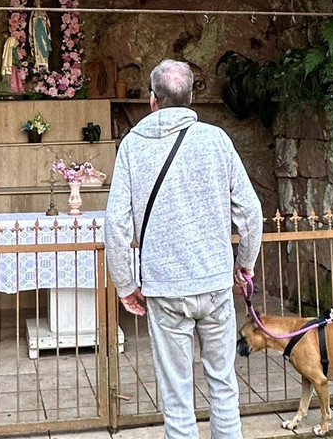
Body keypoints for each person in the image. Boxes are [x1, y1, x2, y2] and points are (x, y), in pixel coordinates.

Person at [105, 59, 263, 439]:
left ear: (152, 99)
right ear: (191, 97)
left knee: (176, 393)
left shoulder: (132, 147)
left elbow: (116, 225)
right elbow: (251, 212)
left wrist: (125, 284)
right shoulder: (216, 140)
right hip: (214, 283)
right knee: (223, 383)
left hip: (165, 287)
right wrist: (245, 264)